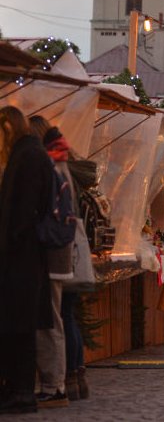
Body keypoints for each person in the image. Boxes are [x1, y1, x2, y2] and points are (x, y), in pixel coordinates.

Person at [0, 106, 56, 415]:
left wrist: (13, 239)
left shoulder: (28, 156)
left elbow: (23, 211)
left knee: (19, 327)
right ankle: (17, 390)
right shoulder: (30, 154)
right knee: (17, 327)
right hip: (23, 258)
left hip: (22, 260)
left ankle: (21, 392)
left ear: (8, 128)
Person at [29, 117, 74, 408]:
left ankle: (54, 385)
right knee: (55, 320)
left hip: (52, 254)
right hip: (60, 254)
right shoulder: (61, 164)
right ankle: (57, 382)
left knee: (50, 322)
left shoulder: (52, 167)